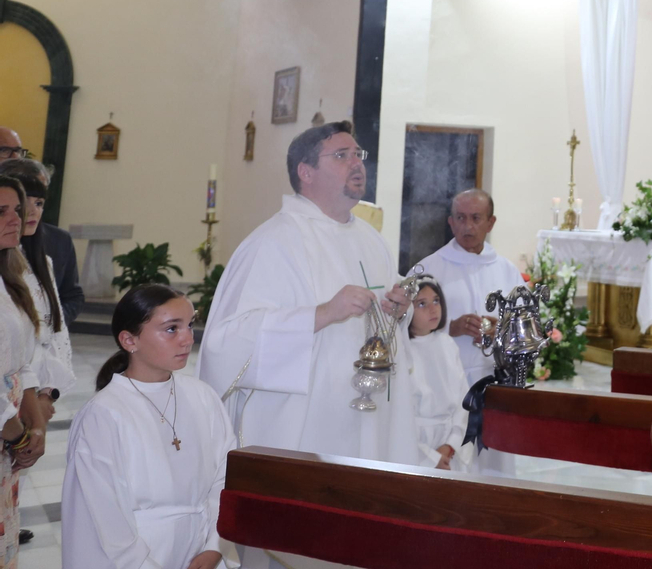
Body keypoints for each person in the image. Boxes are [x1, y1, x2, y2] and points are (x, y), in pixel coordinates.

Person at [197, 121, 416, 467]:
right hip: (306, 429)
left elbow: (392, 316)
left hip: (373, 420)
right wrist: (324, 313)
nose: (357, 163)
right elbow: (224, 343)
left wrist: (401, 310)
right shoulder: (272, 242)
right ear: (306, 171)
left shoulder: (372, 241)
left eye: (358, 154)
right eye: (342, 155)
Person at [61, 285, 233, 569]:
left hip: (204, 547)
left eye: (190, 325)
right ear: (130, 340)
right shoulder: (103, 414)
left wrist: (215, 547)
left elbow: (225, 478)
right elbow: (103, 514)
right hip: (138, 556)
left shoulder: (202, 396)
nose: (187, 338)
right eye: (171, 329)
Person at [413, 188, 523, 475]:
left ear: (491, 222)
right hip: (446, 387)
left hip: (495, 383)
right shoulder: (428, 269)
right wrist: (451, 327)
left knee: (495, 465)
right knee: (455, 465)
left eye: (476, 218)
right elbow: (406, 327)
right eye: (460, 218)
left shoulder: (507, 271)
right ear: (450, 222)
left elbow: (527, 330)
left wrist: (503, 330)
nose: (468, 226)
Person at [0, 162, 73, 409]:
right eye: (24, 203)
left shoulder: (43, 263)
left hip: (31, 391)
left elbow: (55, 332)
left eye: (38, 203)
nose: (29, 212)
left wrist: (47, 394)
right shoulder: (8, 265)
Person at [0, 177, 42, 569]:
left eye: (17, 209)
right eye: (1, 211)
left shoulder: (11, 275)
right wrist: (16, 434)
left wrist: (35, 423)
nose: (16, 218)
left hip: (10, 432)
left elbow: (22, 361)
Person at [0, 143, 81, 322]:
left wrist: (51, 323)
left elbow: (72, 295)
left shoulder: (59, 241)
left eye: (39, 201)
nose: (33, 210)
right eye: (24, 198)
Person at [406, 276, 470, 471]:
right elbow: (398, 413)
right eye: (422, 304)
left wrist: (451, 445)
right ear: (407, 310)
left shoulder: (448, 344)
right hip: (415, 445)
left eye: (436, 301)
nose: (433, 309)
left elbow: (464, 400)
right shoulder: (401, 350)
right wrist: (429, 457)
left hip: (451, 444)